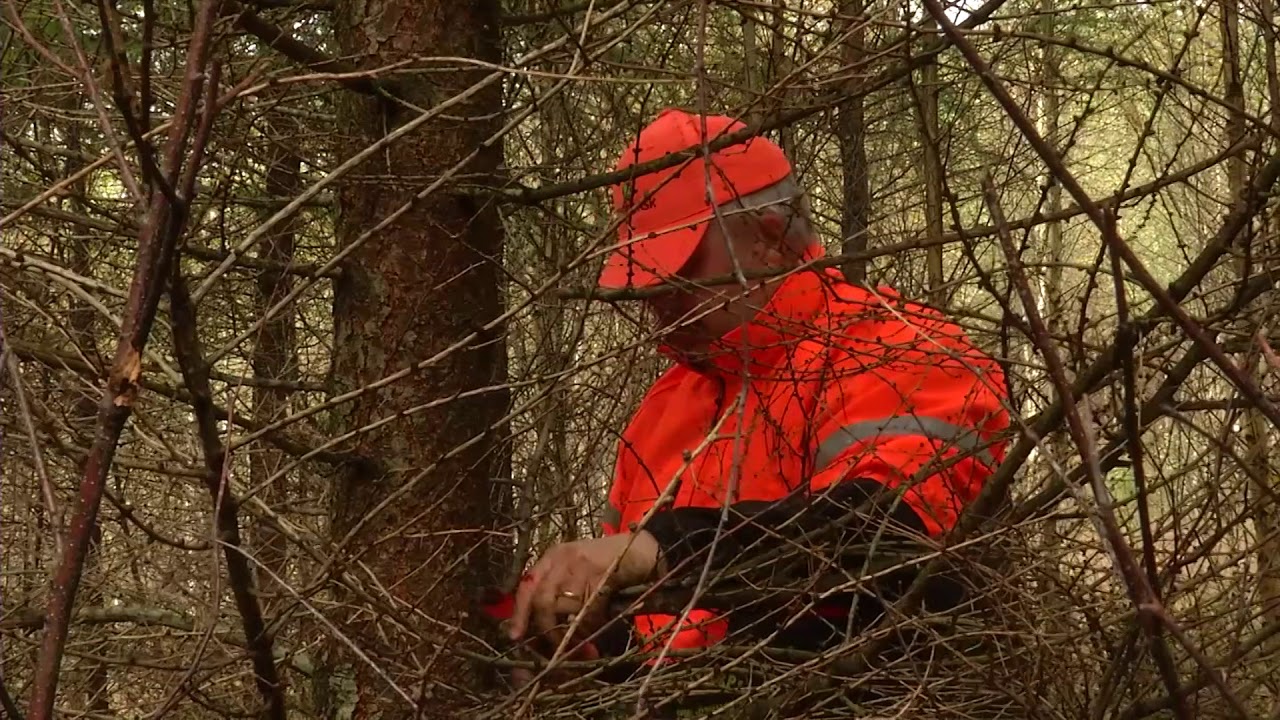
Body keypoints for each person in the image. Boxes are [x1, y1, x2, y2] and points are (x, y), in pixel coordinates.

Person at [504, 108, 1010, 696]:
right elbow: (650, 627)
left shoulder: (904, 350)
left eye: (679, 267)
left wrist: (662, 545)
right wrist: (576, 644)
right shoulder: (662, 411)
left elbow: (883, 541)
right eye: (645, 275)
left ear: (768, 240)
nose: (656, 297)